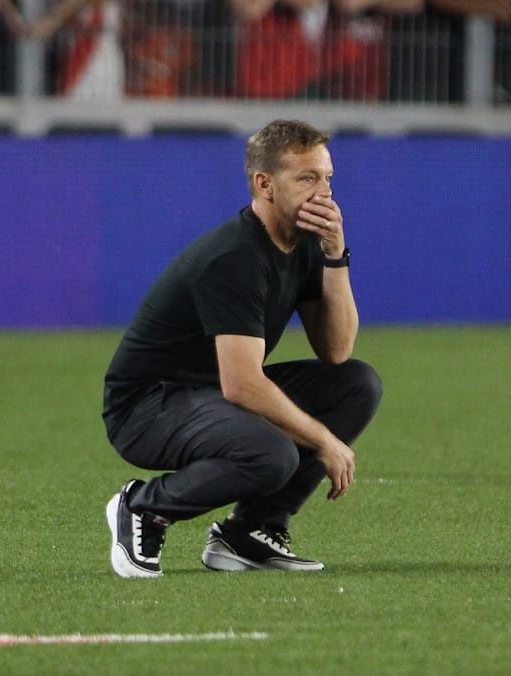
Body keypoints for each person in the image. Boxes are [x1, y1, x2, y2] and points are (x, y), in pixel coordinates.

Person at [102, 120, 383, 578]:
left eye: (327, 177)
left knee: (357, 384)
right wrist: (323, 440)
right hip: (147, 407)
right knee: (272, 454)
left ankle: (252, 531)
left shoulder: (307, 242)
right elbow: (242, 384)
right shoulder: (235, 257)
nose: (324, 192)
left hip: (209, 394)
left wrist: (336, 256)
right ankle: (143, 507)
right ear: (264, 185)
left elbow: (336, 349)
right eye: (307, 178)